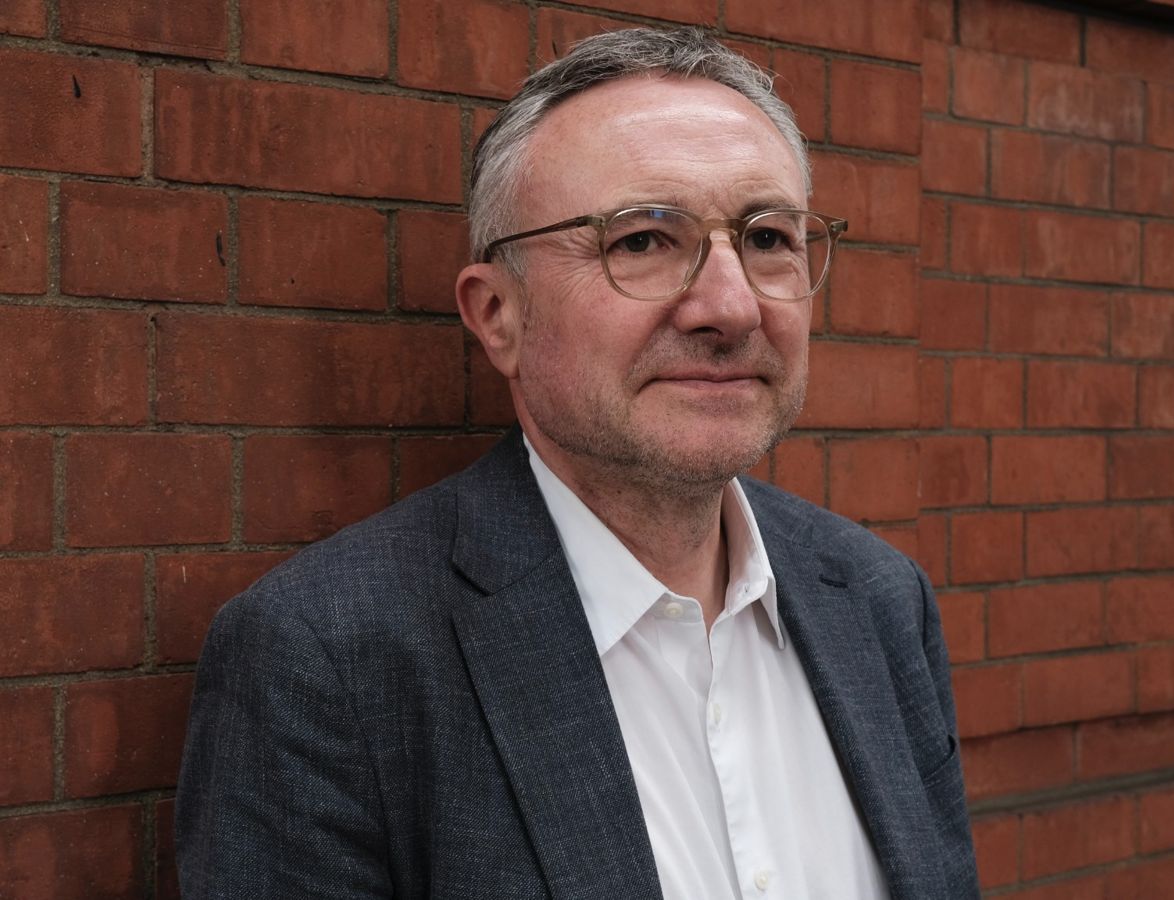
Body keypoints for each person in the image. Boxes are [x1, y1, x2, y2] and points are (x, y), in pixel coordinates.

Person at [176, 26, 979, 900]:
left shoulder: (879, 599)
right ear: (498, 316)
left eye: (768, 238)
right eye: (642, 240)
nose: (731, 306)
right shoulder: (331, 658)